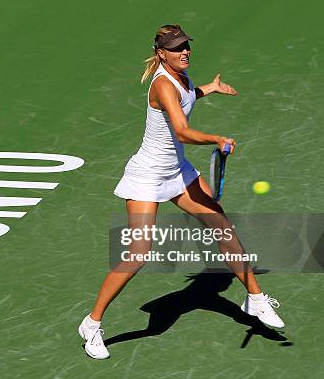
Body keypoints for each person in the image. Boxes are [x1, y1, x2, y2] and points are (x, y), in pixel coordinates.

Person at [78, 24, 285, 360]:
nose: (184, 52)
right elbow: (183, 131)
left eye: (186, 46)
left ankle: (256, 299)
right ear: (161, 53)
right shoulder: (162, 83)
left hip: (178, 170)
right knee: (138, 254)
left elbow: (186, 97)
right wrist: (217, 139)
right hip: (148, 176)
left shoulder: (182, 77)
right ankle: (92, 323)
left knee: (222, 227)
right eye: (176, 48)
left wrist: (209, 88)